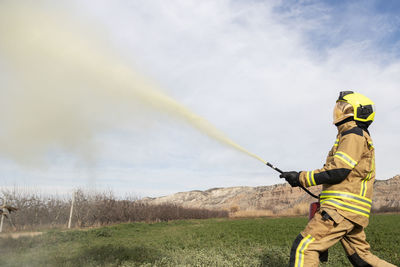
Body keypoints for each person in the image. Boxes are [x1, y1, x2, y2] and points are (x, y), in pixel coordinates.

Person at [280, 91, 396, 267]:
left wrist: (300, 177)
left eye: (344, 108)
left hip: (341, 209)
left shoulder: (353, 135)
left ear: (358, 112)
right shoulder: (356, 136)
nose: (338, 111)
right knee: (361, 257)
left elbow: (338, 171)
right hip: (352, 211)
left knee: (305, 248)